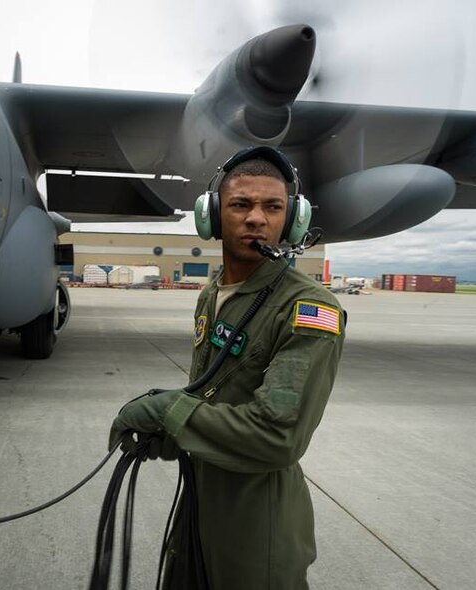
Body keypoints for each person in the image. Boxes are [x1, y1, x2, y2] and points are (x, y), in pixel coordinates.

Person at [108, 146, 346, 589]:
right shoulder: (212, 293)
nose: (257, 218)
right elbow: (214, 394)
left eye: (272, 207)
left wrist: (170, 414)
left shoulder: (307, 306)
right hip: (198, 505)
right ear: (213, 216)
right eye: (241, 205)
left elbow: (278, 436)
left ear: (292, 219)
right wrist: (175, 434)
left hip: (255, 529)